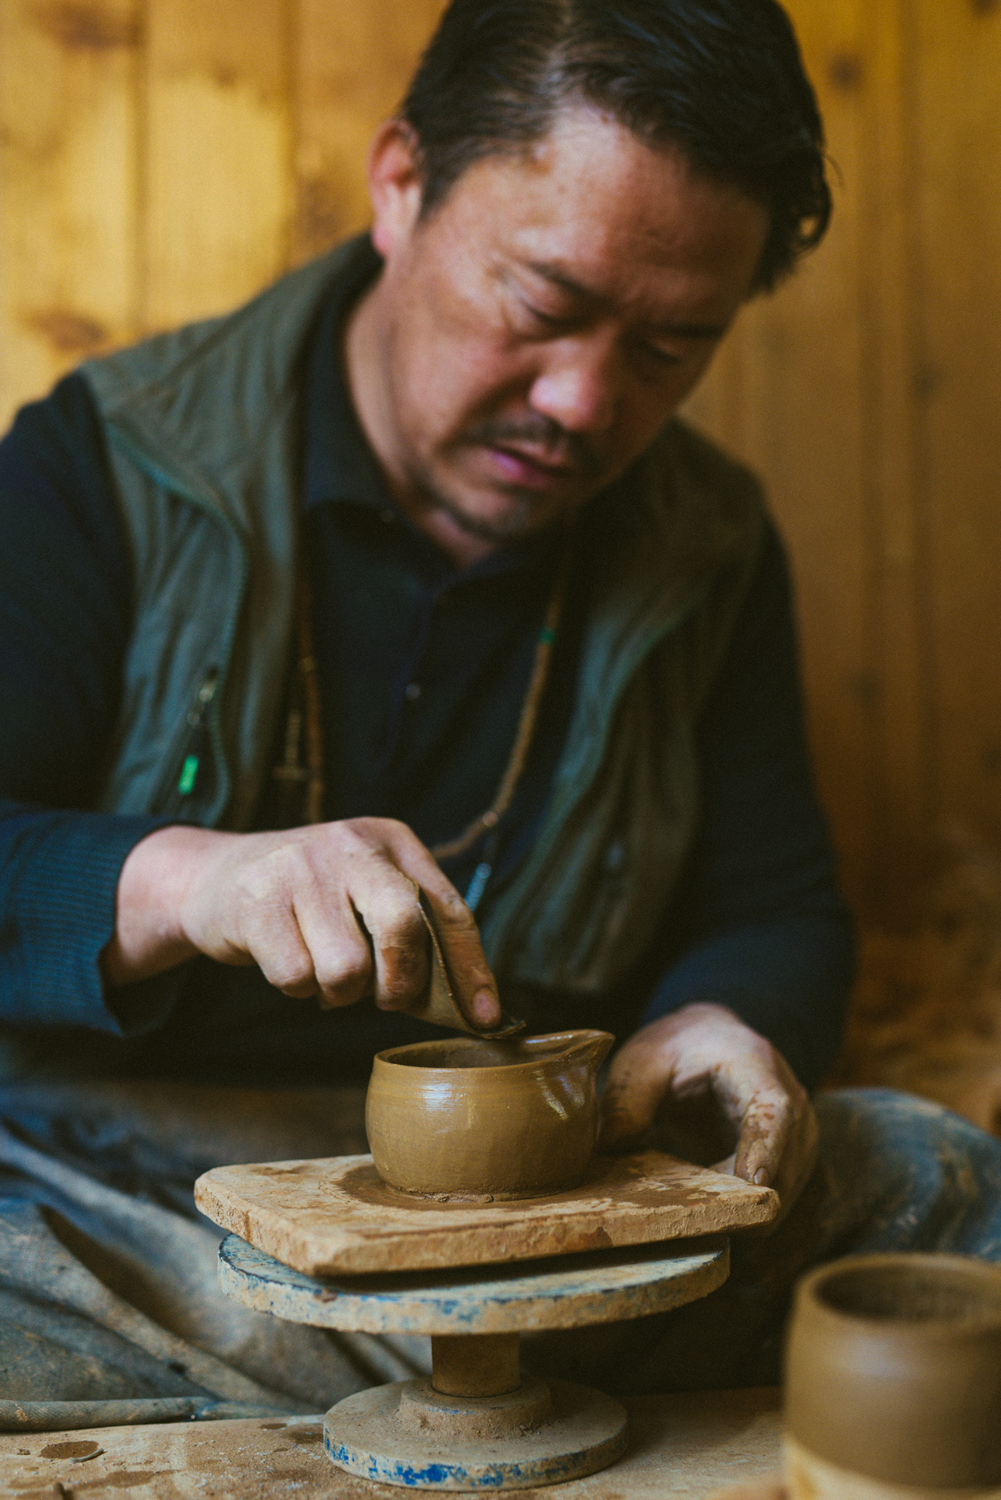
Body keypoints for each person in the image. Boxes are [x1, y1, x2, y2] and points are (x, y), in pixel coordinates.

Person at [1, 0, 999, 1423]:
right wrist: (182, 881)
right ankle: (398, 1386)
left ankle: (345, 1392)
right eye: (543, 304)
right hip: (119, 1194)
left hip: (553, 1219)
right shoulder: (108, 466)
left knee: (934, 1177)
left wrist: (731, 1018)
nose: (584, 402)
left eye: (672, 346)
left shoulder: (708, 546)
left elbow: (778, 905)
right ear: (401, 184)